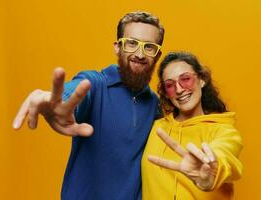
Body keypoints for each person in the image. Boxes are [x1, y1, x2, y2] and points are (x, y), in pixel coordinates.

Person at [13, 11, 164, 200]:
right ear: (117, 47)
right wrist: (59, 103)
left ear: (157, 54)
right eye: (131, 43)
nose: (140, 54)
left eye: (149, 47)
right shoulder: (95, 84)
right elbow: (77, 92)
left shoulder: (156, 106)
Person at [141, 52, 243, 200]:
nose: (179, 89)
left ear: (201, 80)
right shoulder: (156, 127)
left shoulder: (224, 131)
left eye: (186, 79)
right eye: (170, 85)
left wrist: (213, 170)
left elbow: (225, 153)